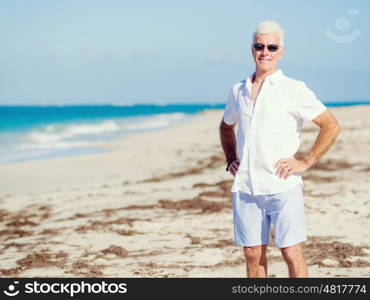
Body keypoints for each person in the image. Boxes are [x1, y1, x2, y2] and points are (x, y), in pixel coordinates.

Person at [219, 20, 341, 278]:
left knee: (291, 252)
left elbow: (330, 125)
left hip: (283, 185)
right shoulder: (237, 90)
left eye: (272, 47)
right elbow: (225, 126)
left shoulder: (294, 89)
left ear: (281, 52)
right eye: (259, 46)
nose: (265, 52)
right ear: (252, 49)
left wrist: (306, 161)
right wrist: (231, 158)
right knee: (252, 254)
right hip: (246, 187)